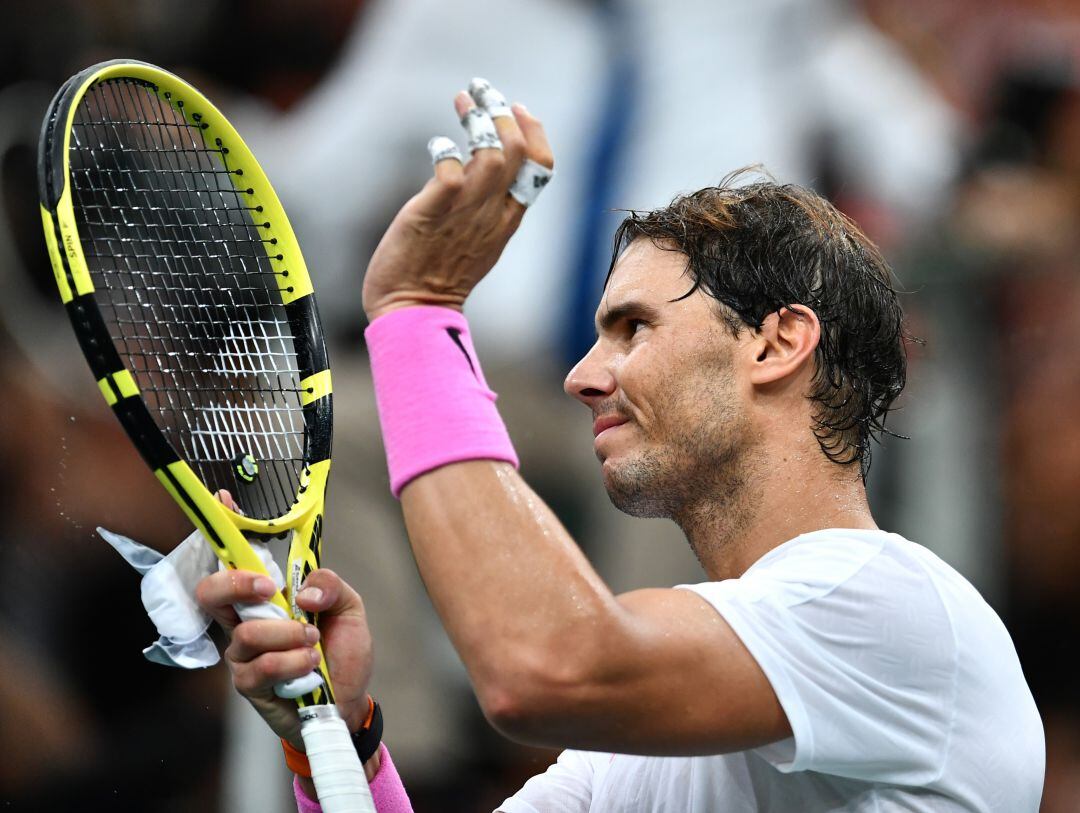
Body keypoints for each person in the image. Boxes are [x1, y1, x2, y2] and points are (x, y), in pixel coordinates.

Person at [196, 81, 1044, 811]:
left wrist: (418, 311)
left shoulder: (894, 605)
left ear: (777, 343)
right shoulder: (632, 759)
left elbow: (542, 666)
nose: (581, 376)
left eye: (634, 327)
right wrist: (339, 737)